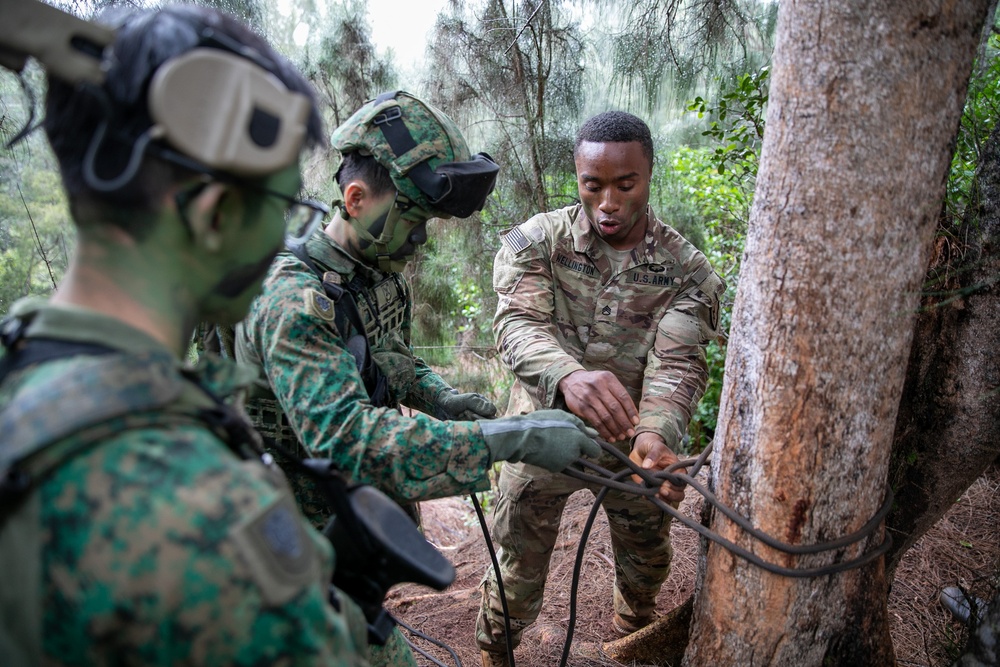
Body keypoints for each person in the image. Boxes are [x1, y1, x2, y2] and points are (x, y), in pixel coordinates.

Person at [0, 3, 372, 664]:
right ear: (218, 213)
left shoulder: (22, 371)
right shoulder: (207, 511)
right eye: (285, 210)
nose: (285, 241)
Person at [230, 91, 602, 665]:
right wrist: (512, 438)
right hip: (280, 537)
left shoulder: (373, 273)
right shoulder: (294, 300)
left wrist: (442, 397)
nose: (421, 239)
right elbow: (350, 439)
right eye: (412, 219)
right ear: (356, 200)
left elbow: (385, 357)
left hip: (342, 523)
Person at [476, 111, 725, 666]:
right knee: (515, 566)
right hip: (540, 436)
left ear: (648, 177)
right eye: (594, 185)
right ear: (579, 178)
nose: (608, 202)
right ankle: (496, 654)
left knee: (645, 560)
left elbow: (677, 363)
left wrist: (657, 436)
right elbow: (515, 325)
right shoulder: (537, 242)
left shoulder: (687, 272)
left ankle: (631, 636)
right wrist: (566, 377)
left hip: (630, 450)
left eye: (624, 184)